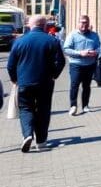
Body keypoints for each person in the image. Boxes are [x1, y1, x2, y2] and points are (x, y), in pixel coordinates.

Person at [6, 15, 65, 152]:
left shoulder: (19, 42)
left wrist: (14, 79)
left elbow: (10, 65)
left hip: (24, 82)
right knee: (43, 110)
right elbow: (61, 61)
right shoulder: (52, 41)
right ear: (44, 25)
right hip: (45, 82)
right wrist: (53, 75)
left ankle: (27, 135)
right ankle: (41, 141)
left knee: (26, 109)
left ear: (29, 25)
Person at [62, 15, 101, 115]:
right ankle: (73, 106)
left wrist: (95, 52)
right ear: (78, 23)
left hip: (89, 64)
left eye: (86, 22)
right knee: (74, 85)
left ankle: (85, 106)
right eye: (82, 22)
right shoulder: (72, 35)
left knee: (87, 86)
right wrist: (80, 53)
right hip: (76, 64)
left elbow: (99, 47)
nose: (84, 24)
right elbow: (66, 49)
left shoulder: (94, 35)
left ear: (89, 23)